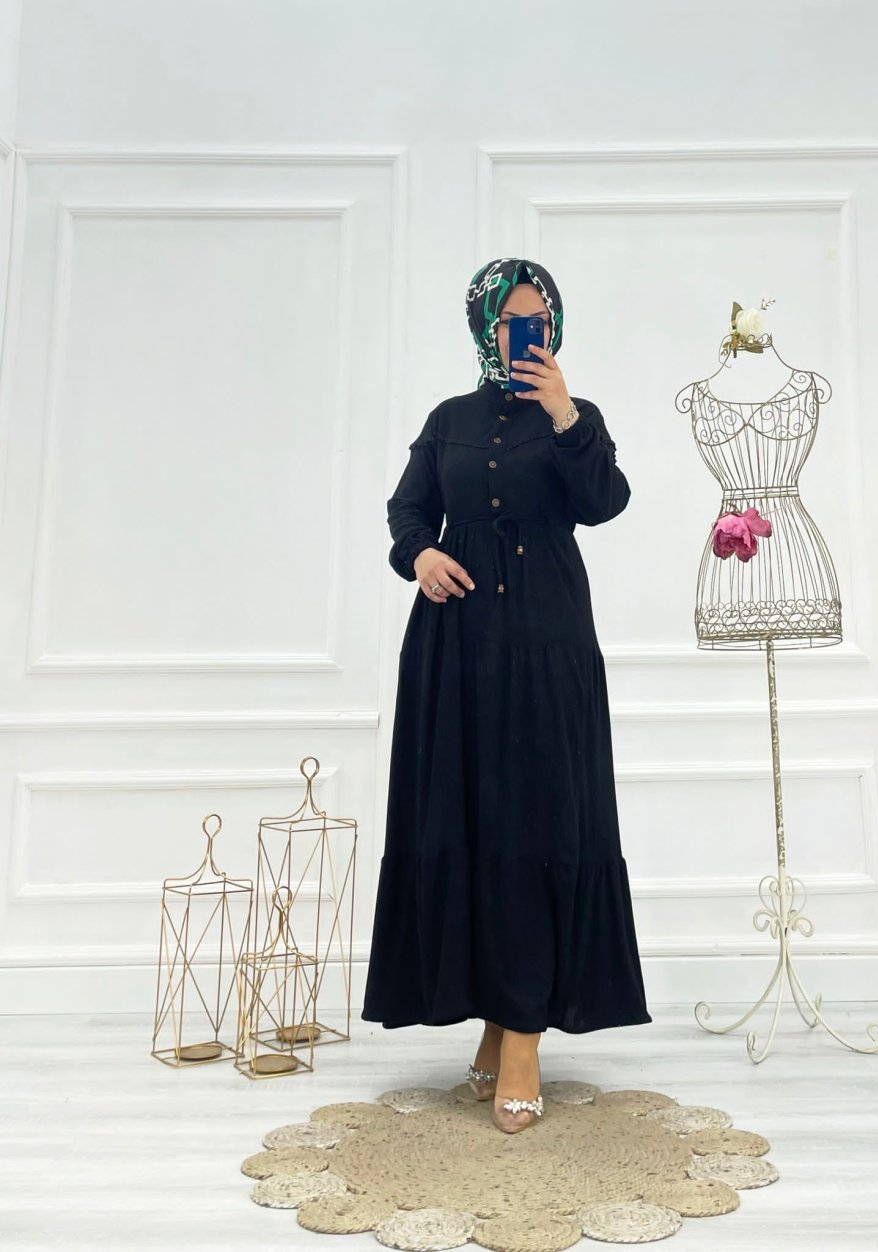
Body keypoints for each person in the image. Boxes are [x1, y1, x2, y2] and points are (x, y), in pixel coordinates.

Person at [361, 257, 651, 1133]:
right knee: (471, 823)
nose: (527, 333)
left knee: (538, 823)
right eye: (511, 321)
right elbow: (407, 511)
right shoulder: (447, 420)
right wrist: (420, 555)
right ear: (483, 327)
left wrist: (563, 413)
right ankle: (493, 1019)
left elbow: (604, 502)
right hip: (454, 646)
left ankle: (524, 1033)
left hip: (546, 644)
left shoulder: (576, 416)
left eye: (540, 319)